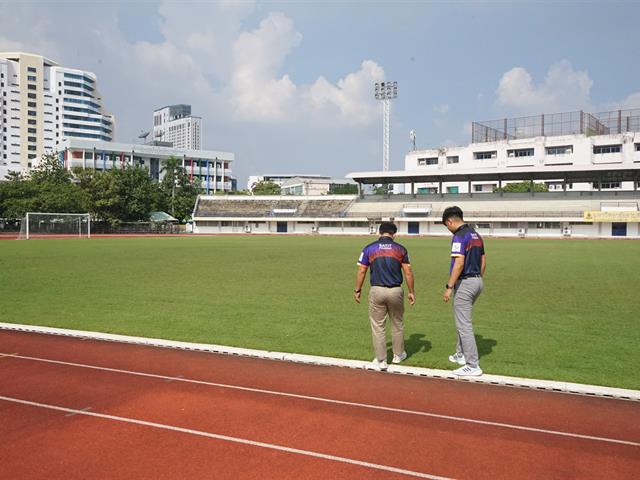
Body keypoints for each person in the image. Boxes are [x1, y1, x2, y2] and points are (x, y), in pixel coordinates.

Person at [354, 222, 415, 371]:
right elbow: (408, 271)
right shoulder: (400, 249)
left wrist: (357, 289)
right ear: (394, 234)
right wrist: (411, 291)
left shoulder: (369, 248)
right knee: (397, 323)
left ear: (379, 232)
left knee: (378, 325)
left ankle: (381, 359)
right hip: (396, 290)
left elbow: (362, 270)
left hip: (377, 290)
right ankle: (398, 355)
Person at [442, 206, 486, 376]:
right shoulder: (476, 234)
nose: (448, 229)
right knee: (463, 320)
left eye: (447, 226)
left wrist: (449, 287)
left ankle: (472, 364)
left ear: (450, 221)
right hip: (477, 280)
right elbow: (483, 260)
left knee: (464, 324)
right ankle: (460, 354)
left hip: (465, 283)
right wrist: (478, 278)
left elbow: (459, 263)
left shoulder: (459, 237)